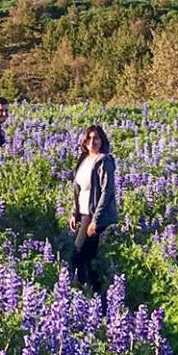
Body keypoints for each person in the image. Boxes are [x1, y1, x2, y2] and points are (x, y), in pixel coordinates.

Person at [67, 124, 118, 291]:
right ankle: (92, 291)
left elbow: (107, 191)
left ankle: (90, 292)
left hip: (94, 215)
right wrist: (75, 213)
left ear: (102, 140)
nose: (92, 141)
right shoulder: (84, 159)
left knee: (78, 254)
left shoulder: (104, 160)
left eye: (96, 138)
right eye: (88, 138)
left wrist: (96, 220)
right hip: (83, 213)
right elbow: (78, 189)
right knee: (87, 256)